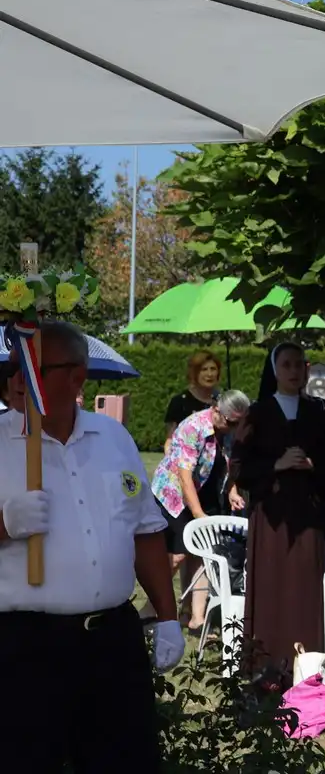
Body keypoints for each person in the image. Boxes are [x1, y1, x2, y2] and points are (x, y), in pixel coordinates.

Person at [0, 320, 184, 773]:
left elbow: (145, 531)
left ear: (76, 377)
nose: (18, 379)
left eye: (32, 368)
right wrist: (5, 523)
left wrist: (168, 617)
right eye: (14, 367)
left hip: (111, 641)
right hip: (25, 646)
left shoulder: (113, 438)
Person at [230, 342, 325, 685]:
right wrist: (276, 465)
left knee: (305, 589)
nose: (294, 371)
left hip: (307, 519)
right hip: (270, 519)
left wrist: (312, 465)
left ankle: (306, 668)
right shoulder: (258, 413)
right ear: (275, 370)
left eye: (299, 364)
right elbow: (239, 468)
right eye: (287, 365)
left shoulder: (317, 413)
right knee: (271, 585)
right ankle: (266, 668)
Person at [149, 389, 250, 631]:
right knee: (177, 556)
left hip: (206, 493)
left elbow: (226, 464)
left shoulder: (229, 429)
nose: (235, 428)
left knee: (204, 553)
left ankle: (196, 617)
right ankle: (150, 610)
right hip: (174, 496)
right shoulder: (193, 427)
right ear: (216, 411)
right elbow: (184, 477)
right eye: (231, 422)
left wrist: (232, 491)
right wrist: (198, 516)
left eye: (239, 423)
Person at [164, 349, 222, 447]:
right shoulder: (180, 402)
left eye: (213, 369)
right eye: (204, 369)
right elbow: (170, 439)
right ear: (194, 373)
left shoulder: (222, 402)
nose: (209, 374)